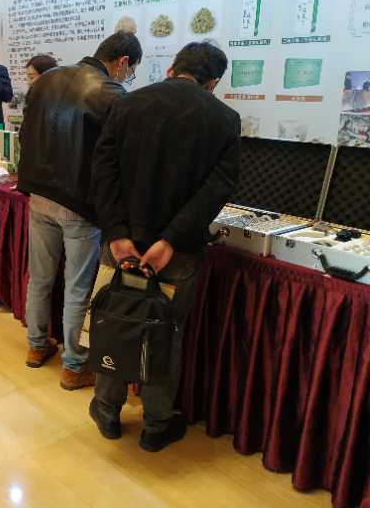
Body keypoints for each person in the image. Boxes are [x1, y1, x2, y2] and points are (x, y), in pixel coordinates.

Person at [90, 41, 240, 452]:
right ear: (212, 82)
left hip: (121, 246)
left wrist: (118, 233)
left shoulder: (129, 103)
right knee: (165, 332)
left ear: (173, 68)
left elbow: (103, 170)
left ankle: (106, 410)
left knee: (113, 321)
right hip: (178, 253)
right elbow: (216, 189)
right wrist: (170, 240)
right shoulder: (224, 119)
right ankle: (156, 423)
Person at [18, 31, 142, 391]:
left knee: (40, 277)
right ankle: (73, 365)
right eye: (131, 70)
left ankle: (36, 346)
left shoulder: (48, 78)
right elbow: (120, 157)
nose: (128, 76)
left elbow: (26, 134)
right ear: (122, 62)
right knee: (77, 287)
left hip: (38, 194)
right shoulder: (112, 93)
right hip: (79, 203)